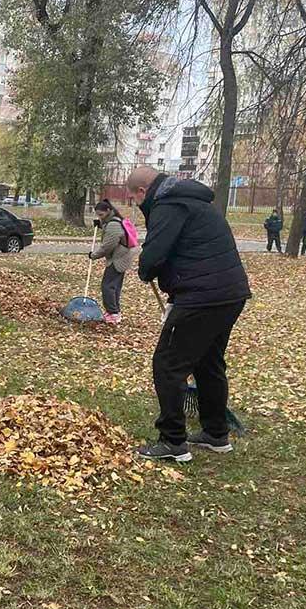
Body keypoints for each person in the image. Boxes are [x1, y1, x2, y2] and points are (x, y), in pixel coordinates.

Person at [126, 166, 251, 462]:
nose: (136, 204)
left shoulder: (167, 206)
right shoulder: (194, 201)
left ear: (143, 191)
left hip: (201, 297)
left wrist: (146, 269)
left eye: (134, 198)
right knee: (208, 362)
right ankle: (216, 434)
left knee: (168, 364)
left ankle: (172, 442)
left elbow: (154, 255)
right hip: (230, 294)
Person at [88, 199, 135, 325]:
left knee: (107, 286)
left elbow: (108, 246)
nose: (100, 217)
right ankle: (114, 312)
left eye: (101, 215)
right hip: (122, 256)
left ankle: (113, 313)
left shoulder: (113, 224)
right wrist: (101, 225)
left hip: (119, 259)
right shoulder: (113, 220)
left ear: (108, 211)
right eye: (98, 215)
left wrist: (94, 255)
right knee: (114, 286)